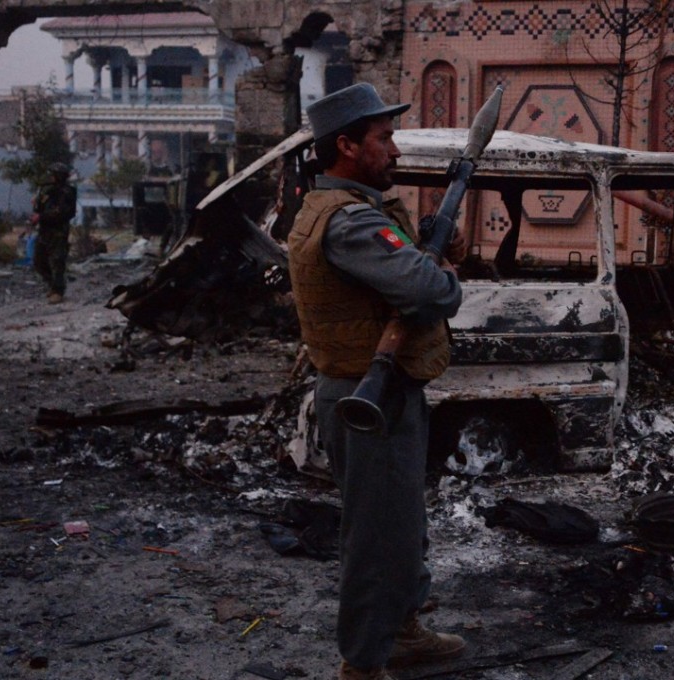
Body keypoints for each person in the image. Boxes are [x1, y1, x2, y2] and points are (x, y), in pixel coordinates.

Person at [287, 83, 467, 680]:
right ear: (346, 146)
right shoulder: (349, 222)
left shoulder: (347, 209)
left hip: (385, 387)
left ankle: (404, 631)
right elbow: (429, 291)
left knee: (400, 523)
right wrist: (439, 275)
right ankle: (362, 665)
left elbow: (404, 272)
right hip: (372, 397)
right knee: (375, 537)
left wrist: (432, 250)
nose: (394, 149)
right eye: (382, 138)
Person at [31, 162, 77, 304]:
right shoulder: (47, 190)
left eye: (53, 174)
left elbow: (62, 212)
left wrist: (41, 217)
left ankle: (58, 291)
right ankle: (53, 284)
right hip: (44, 231)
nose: (50, 177)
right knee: (38, 261)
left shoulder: (67, 192)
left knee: (57, 262)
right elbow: (40, 207)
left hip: (58, 232)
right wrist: (36, 204)